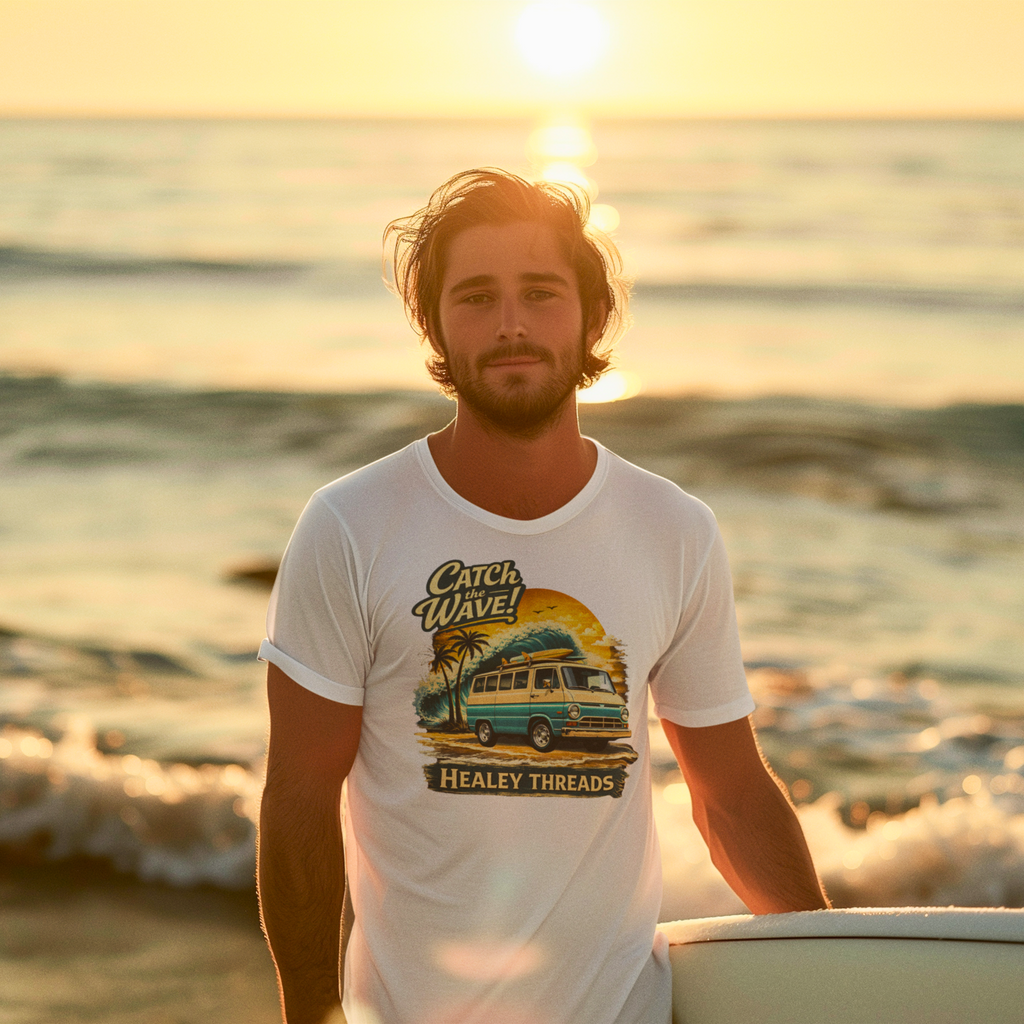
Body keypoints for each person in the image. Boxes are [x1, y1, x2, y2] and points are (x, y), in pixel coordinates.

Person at [257, 168, 830, 1024]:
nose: (512, 324)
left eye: (541, 293)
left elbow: (732, 796)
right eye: (477, 297)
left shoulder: (673, 529)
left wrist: (834, 964)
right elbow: (301, 793)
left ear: (591, 316)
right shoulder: (350, 526)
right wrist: (310, 1012)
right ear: (436, 326)